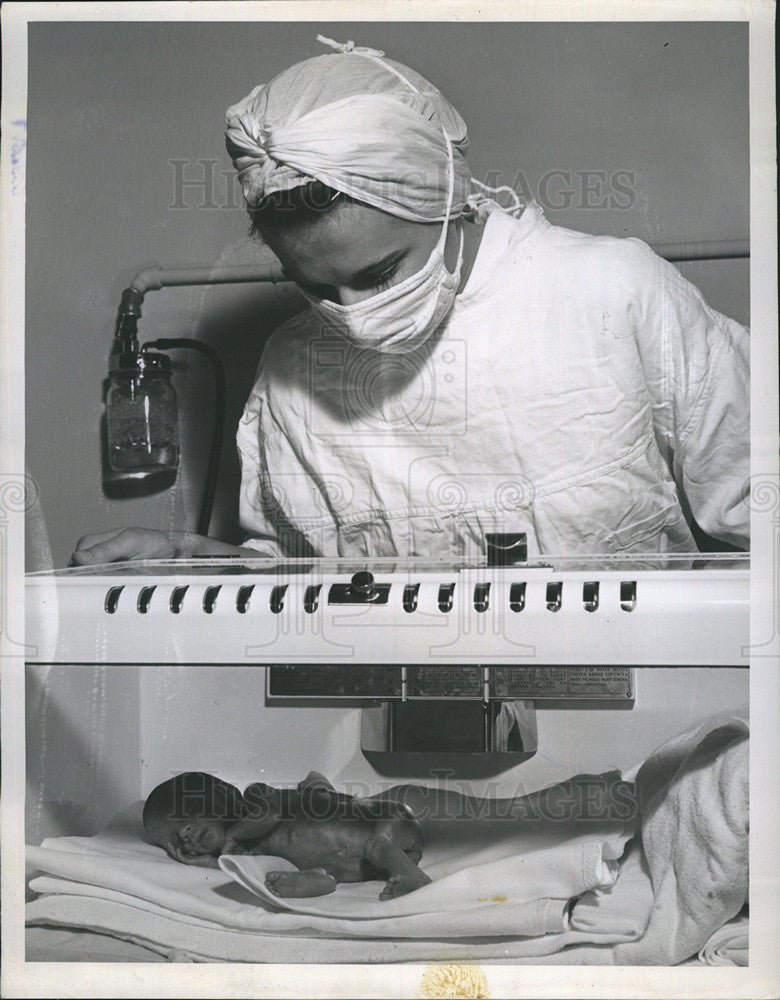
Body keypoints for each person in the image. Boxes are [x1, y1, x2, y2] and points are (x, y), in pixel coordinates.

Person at [71, 35, 749, 567]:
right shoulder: (290, 368)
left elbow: (757, 513)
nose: (354, 315)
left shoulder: (613, 295)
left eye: (380, 273)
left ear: (449, 199)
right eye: (314, 287)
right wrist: (191, 561)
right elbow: (299, 589)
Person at [143, 769, 431, 900]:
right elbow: (240, 866)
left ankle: (415, 877)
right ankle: (322, 881)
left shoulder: (256, 797)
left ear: (222, 793)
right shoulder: (249, 850)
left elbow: (272, 815)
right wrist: (209, 862)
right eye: (172, 839)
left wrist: (231, 837)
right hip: (356, 866)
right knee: (329, 869)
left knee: (376, 846)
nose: (183, 833)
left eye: (184, 816)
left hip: (387, 822)